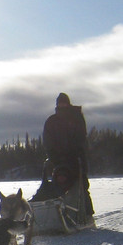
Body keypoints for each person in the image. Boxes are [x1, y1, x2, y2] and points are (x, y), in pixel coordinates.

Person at [41, 92, 94, 220]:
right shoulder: (51, 121)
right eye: (59, 103)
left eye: (63, 103)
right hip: (57, 160)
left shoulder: (76, 117)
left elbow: (81, 138)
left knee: (81, 186)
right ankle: (53, 215)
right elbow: (48, 140)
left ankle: (87, 215)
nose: (62, 105)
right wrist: (53, 156)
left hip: (75, 158)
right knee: (56, 186)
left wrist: (78, 154)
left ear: (68, 103)